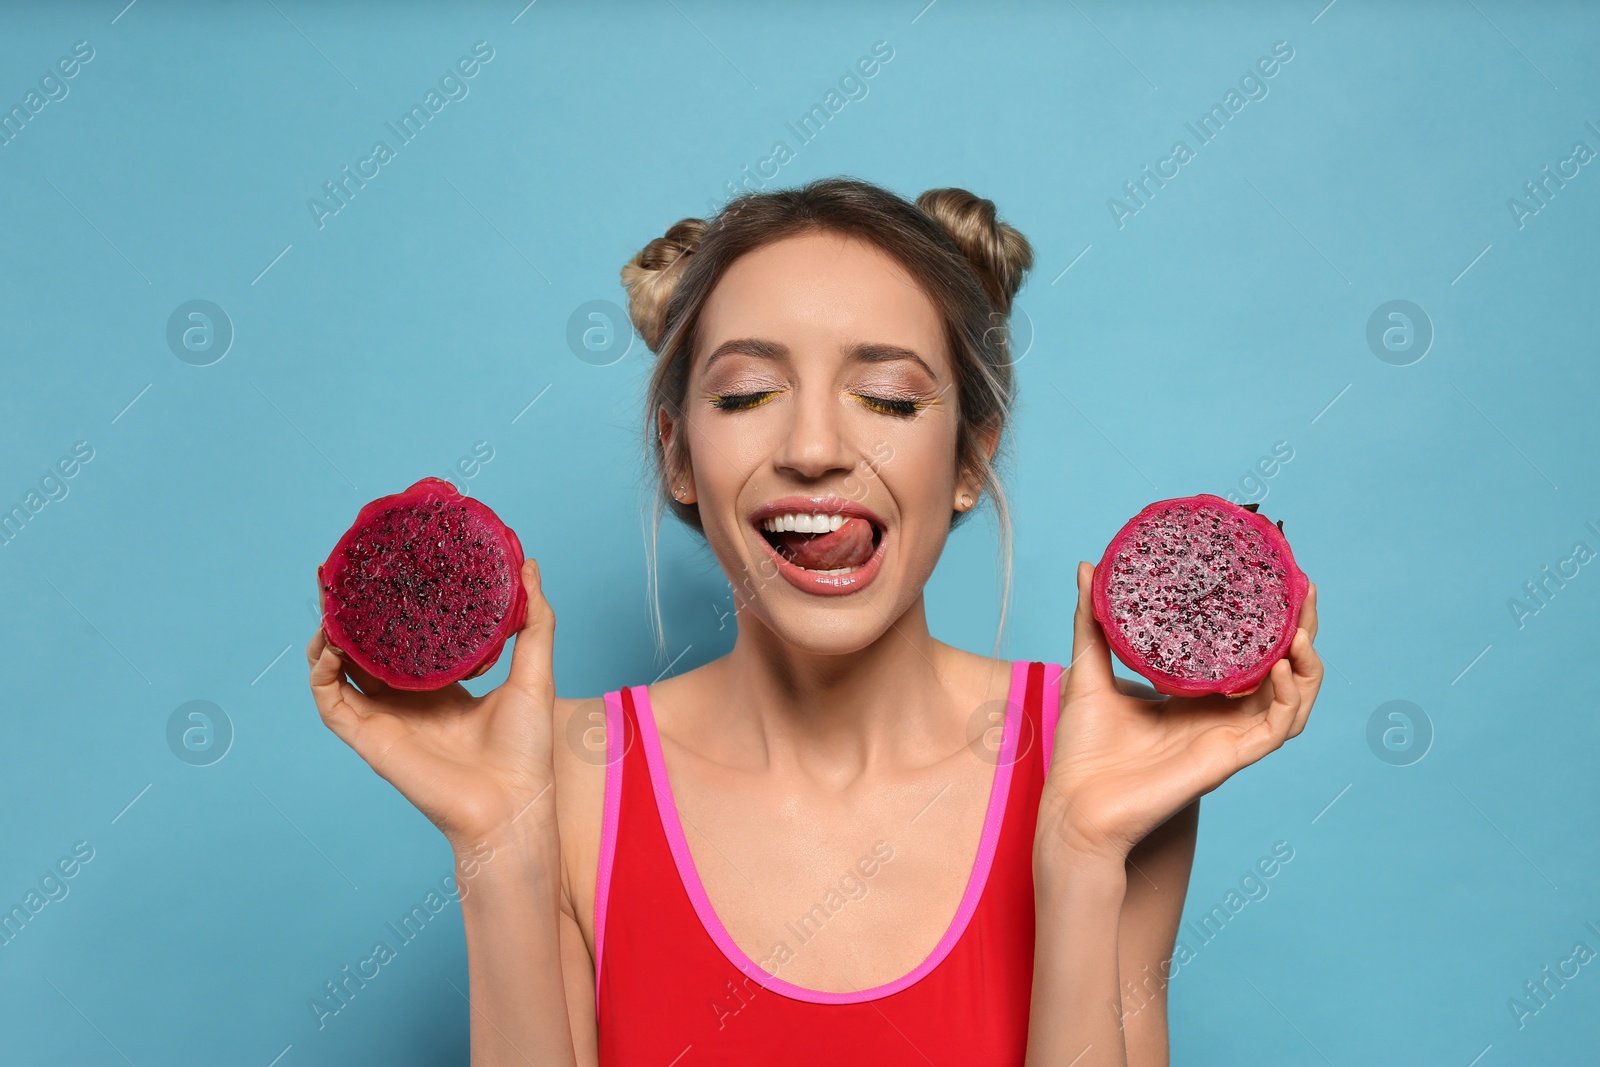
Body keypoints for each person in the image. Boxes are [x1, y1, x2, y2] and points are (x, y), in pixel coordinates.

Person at [307, 176, 1322, 1066]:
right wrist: (501, 847)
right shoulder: (564, 779)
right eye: (748, 392)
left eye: (885, 396)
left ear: (969, 458)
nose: (813, 447)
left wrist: (1085, 851)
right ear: (677, 455)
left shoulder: (1102, 765)